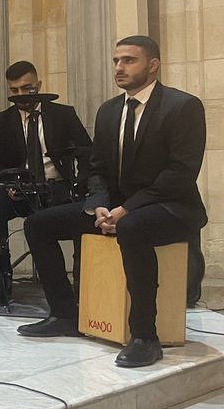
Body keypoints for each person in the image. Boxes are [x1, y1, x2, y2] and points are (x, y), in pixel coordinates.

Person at [19, 36, 207, 367]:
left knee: (133, 227)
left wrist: (127, 209)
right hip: (117, 206)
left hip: (172, 208)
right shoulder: (109, 111)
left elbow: (180, 173)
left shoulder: (183, 107)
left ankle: (145, 336)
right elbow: (98, 169)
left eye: (129, 60)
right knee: (38, 224)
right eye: (116, 60)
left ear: (153, 65)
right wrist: (99, 204)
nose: (119, 67)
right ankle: (64, 314)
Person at [0, 60, 92, 302]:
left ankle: (81, 285)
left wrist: (81, 184)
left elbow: (86, 151)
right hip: (20, 189)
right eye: (14, 90)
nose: (21, 95)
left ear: (39, 85)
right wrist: (10, 181)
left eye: (27, 88)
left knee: (85, 211)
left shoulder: (63, 114)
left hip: (59, 188)